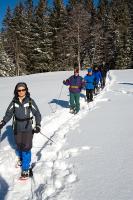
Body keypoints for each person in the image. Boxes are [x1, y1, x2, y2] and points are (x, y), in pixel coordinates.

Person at [0, 82, 41, 180]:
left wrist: (38, 125)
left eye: (23, 90)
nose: (21, 92)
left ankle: (26, 168)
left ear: (26, 90)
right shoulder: (14, 102)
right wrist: (3, 123)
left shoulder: (30, 101)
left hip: (27, 128)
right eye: (19, 90)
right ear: (16, 91)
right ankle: (22, 159)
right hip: (17, 127)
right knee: (19, 145)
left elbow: (37, 114)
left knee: (26, 147)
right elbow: (8, 114)